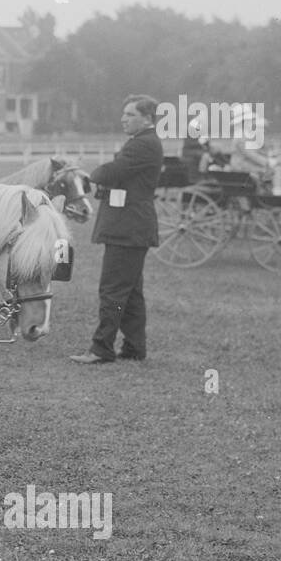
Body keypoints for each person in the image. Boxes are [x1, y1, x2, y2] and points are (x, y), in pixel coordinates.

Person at [70, 94, 164, 365]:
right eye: (123, 114)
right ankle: (134, 347)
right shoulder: (142, 142)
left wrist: (87, 175)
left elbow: (112, 171)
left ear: (147, 118)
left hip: (128, 227)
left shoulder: (142, 145)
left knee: (112, 291)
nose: (124, 119)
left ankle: (101, 349)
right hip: (130, 227)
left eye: (131, 114)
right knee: (130, 292)